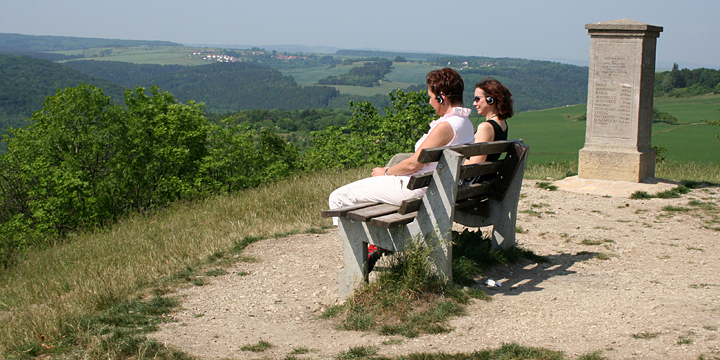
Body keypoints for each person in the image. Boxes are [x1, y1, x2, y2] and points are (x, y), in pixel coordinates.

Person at [328, 68, 475, 226]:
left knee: (337, 197)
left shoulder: (446, 126)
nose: (429, 102)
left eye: (431, 97)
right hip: (437, 187)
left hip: (415, 190)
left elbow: (412, 165)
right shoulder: (465, 124)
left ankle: (354, 246)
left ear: (441, 98)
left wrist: (385, 172)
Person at [465, 77, 514, 165]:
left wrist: (454, 160)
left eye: (477, 99)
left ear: (490, 100)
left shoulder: (486, 127)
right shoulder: (502, 123)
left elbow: (475, 164)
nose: (474, 103)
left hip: (477, 177)